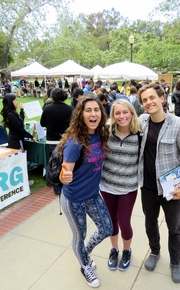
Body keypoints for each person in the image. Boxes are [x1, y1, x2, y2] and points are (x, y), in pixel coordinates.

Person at [137, 84, 180, 284]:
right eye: (144, 100)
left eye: (152, 97)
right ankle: (154, 252)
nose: (149, 102)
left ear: (162, 98)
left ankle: (175, 263)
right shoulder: (142, 122)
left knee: (174, 228)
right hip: (147, 187)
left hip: (171, 189)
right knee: (150, 222)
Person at [58, 94, 113, 288]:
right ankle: (84, 265)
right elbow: (65, 172)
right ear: (80, 114)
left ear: (101, 113)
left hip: (92, 195)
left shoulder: (101, 134)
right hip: (74, 199)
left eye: (96, 110)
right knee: (79, 236)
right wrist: (63, 176)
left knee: (107, 228)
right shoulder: (75, 143)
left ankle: (85, 254)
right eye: (88, 110)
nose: (93, 113)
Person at [100, 99, 141, 271]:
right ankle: (114, 249)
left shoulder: (140, 133)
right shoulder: (106, 132)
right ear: (113, 115)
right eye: (117, 113)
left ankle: (126, 250)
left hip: (128, 187)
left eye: (125, 112)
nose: (121, 116)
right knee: (111, 221)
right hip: (107, 186)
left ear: (131, 113)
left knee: (124, 222)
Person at [40, 88, 74, 195]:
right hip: (67, 139)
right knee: (68, 163)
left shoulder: (47, 109)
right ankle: (67, 185)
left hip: (52, 140)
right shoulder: (70, 109)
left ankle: (57, 188)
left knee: (55, 165)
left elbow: (42, 123)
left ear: (52, 97)